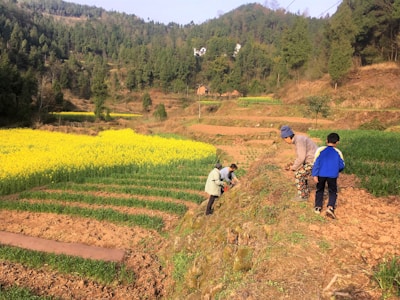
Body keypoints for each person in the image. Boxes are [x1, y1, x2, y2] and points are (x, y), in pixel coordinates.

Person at [312, 132, 345, 219]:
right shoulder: (338, 152)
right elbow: (342, 165)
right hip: (332, 175)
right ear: (337, 142)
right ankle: (330, 207)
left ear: (326, 140)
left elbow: (316, 163)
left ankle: (318, 207)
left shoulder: (320, 150)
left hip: (321, 174)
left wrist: (315, 175)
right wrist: (336, 170)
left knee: (320, 189)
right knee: (332, 191)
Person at [281, 125, 318, 201]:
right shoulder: (299, 139)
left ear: (287, 137)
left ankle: (303, 196)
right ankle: (305, 192)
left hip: (314, 162)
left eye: (284, 139)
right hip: (313, 161)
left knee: (298, 174)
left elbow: (301, 157)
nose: (285, 141)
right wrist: (295, 164)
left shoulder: (299, 141)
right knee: (302, 171)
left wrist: (293, 167)